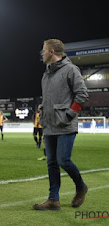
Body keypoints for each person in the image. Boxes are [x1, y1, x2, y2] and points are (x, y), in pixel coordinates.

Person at [33, 39, 89, 211]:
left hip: (65, 125)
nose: (41, 53)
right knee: (51, 163)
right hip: (49, 125)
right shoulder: (46, 74)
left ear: (51, 51)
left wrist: (69, 115)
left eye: (43, 50)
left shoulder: (71, 70)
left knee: (63, 160)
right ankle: (53, 199)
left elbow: (82, 94)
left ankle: (81, 186)